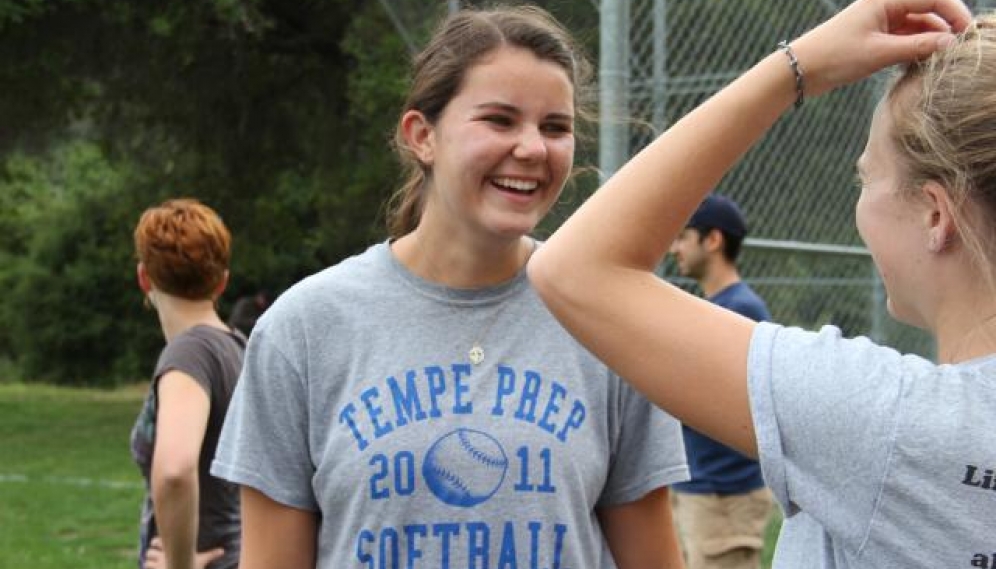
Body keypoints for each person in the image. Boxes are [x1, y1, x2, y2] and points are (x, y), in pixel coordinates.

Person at [211, 5, 689, 569]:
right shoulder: (305, 328)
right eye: (499, 120)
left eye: (555, 127)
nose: (533, 149)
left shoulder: (607, 321)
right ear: (422, 136)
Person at [530, 0, 994, 566]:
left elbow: (572, 269)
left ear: (935, 215)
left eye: (865, 176)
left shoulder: (887, 420)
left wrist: (799, 66)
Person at [131, 198, 246, 569]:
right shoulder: (239, 348)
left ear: (144, 278)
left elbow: (175, 471)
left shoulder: (189, 354)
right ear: (222, 282)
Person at [668, 195, 772, 569]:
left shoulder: (741, 310)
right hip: (700, 485)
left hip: (725, 493)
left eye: (684, 237)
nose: (674, 247)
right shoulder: (716, 307)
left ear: (713, 241)